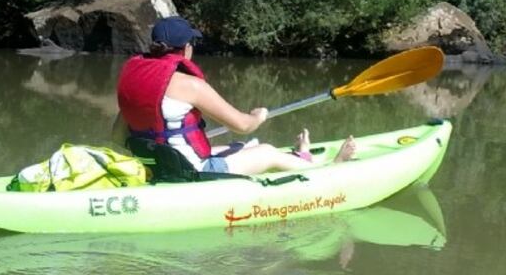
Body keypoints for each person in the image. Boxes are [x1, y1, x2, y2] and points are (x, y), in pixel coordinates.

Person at [114, 16, 355, 177]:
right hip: (191, 172)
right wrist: (258, 116)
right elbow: (242, 125)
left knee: (241, 147)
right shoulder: (190, 85)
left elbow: (117, 136)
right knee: (266, 150)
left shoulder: (134, 83)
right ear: (186, 48)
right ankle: (329, 170)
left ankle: (300, 157)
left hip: (155, 166)